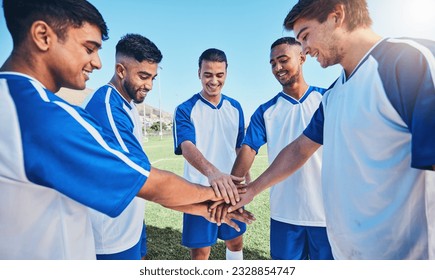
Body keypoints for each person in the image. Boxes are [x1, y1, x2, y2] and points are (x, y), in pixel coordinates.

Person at [0, 0, 253, 260]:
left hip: (126, 226)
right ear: (42, 36)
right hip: (109, 238)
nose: (97, 63)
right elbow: (146, 182)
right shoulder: (43, 112)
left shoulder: (30, 103)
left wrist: (206, 206)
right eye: (89, 48)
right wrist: (219, 196)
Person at [225, 0, 435, 259]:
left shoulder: (411, 63)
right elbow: (299, 150)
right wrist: (251, 190)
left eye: (305, 36)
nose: (305, 48)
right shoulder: (333, 96)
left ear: (337, 16)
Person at [231, 37, 333, 260]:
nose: (277, 68)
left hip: (327, 215)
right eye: (272, 63)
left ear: (302, 58)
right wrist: (233, 195)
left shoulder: (328, 99)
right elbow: (248, 149)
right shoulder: (266, 111)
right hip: (284, 215)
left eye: (283, 60)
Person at [81, 34, 161, 260]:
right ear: (121, 70)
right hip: (110, 234)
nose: (149, 85)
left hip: (131, 221)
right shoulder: (106, 106)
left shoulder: (128, 103)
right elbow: (140, 177)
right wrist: (203, 200)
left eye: (153, 78)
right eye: (144, 76)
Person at [173, 48, 247, 260]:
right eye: (208, 74)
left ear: (226, 74)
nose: (213, 80)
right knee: (201, 251)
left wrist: (246, 179)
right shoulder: (185, 108)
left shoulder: (236, 107)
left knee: (235, 241)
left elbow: (239, 146)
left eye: (219, 75)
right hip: (199, 191)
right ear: (199, 74)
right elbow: (187, 147)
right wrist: (213, 174)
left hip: (232, 192)